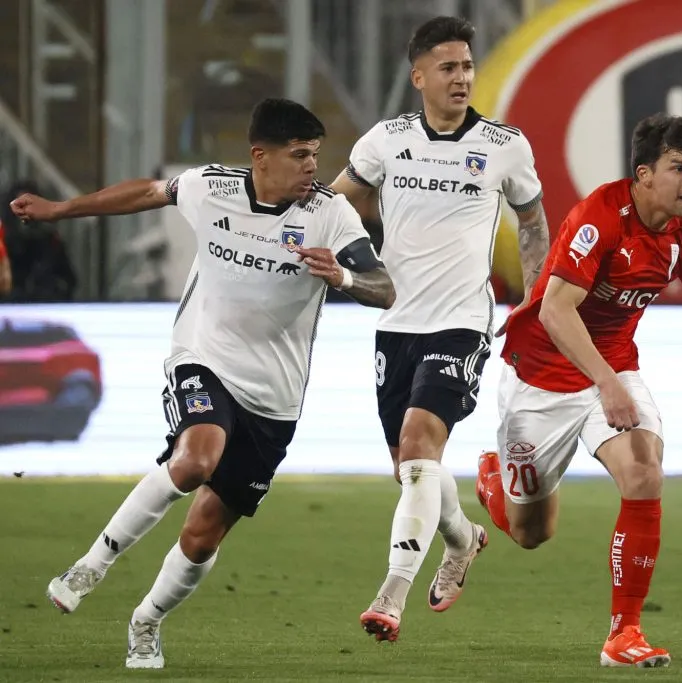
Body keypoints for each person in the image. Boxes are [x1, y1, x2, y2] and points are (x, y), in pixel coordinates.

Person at [10, 98, 395, 668]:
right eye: (299, 155)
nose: (313, 166)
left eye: (315, 154)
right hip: (203, 359)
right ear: (260, 156)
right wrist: (60, 210)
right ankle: (92, 564)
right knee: (195, 459)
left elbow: (383, 288)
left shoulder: (329, 213)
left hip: (275, 399)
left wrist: (342, 276)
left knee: (202, 535)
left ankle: (146, 621)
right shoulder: (210, 188)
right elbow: (147, 193)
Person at [475, 114, 682, 668]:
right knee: (531, 533)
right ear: (644, 174)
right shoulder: (600, 217)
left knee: (645, 472)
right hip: (541, 378)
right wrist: (605, 384)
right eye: (678, 168)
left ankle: (624, 633)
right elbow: (556, 310)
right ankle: (495, 485)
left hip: (614, 369)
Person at [329, 16, 550, 641]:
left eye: (468, 66)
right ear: (418, 76)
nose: (462, 77)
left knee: (421, 443)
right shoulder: (386, 140)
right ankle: (463, 537)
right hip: (396, 321)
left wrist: (535, 302)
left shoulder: (505, 145)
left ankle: (390, 596)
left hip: (462, 322)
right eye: (448, 67)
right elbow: (334, 203)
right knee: (411, 468)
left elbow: (533, 222)